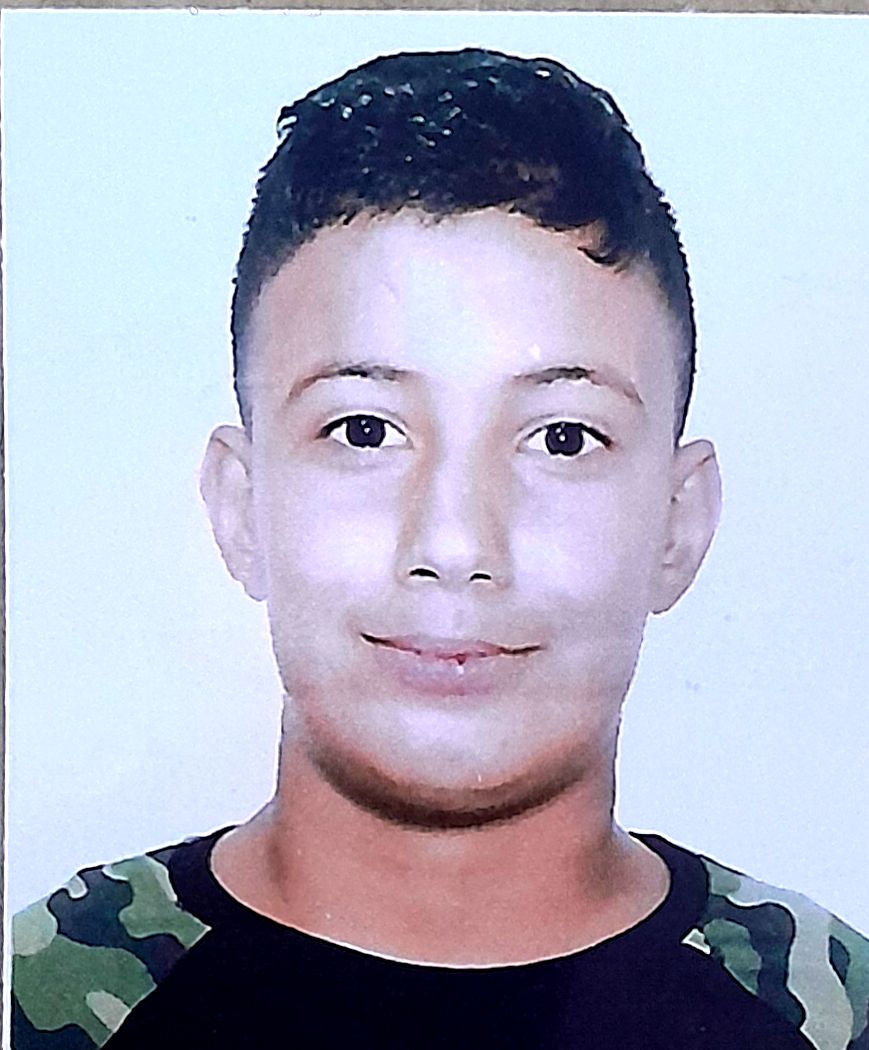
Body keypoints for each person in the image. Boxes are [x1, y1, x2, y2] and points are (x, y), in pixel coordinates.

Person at [11, 47, 868, 1050]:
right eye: (364, 431)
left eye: (561, 439)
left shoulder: (823, 1015)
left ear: (679, 522)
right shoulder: (46, 999)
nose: (455, 543)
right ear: (241, 508)